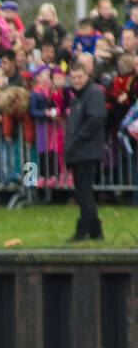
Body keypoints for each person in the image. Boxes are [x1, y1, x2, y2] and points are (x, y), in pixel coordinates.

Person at [64, 57, 107, 242]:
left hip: (87, 150)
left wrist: (78, 138)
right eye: (73, 77)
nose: (76, 81)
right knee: (83, 191)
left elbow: (96, 119)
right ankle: (96, 230)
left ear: (86, 75)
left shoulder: (93, 94)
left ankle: (83, 229)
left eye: (80, 77)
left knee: (84, 191)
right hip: (78, 150)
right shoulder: (78, 97)